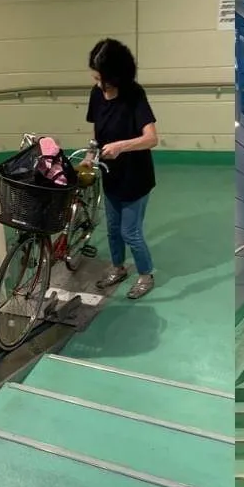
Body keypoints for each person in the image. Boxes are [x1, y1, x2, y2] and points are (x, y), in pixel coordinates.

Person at [84, 39, 159, 299]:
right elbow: (96, 129)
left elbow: (151, 138)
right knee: (113, 230)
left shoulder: (134, 94)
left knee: (130, 231)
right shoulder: (96, 93)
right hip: (110, 173)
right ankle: (117, 268)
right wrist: (90, 153)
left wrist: (121, 146)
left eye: (100, 76)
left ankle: (146, 274)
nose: (96, 82)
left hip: (135, 176)